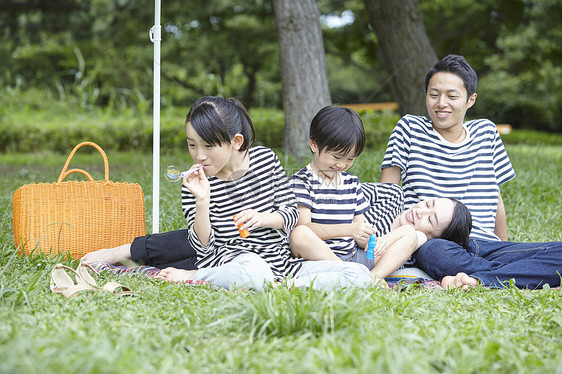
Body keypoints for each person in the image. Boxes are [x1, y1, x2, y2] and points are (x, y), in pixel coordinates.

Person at [83, 96, 372, 291]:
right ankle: (197, 278)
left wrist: (263, 218)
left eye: (208, 147)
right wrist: (202, 200)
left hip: (282, 267)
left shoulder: (266, 160)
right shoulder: (196, 183)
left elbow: (290, 215)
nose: (199, 156)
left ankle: (276, 285)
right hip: (237, 263)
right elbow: (203, 248)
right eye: (192, 145)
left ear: (235, 142)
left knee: (358, 275)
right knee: (253, 271)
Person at [380, 54, 562, 289]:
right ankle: (515, 276)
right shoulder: (409, 129)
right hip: (437, 243)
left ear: (470, 99)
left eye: (452, 96)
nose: (441, 103)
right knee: (434, 251)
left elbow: (495, 198)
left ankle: (477, 279)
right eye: (434, 94)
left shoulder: (486, 132)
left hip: (486, 245)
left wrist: (503, 245)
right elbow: (387, 194)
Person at [288, 105, 472, 281]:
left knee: (408, 232)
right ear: (314, 144)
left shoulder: (351, 183)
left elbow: (359, 232)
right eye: (336, 157)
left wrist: (369, 239)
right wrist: (350, 230)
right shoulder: (301, 182)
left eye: (350, 159)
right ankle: (350, 275)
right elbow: (306, 227)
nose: (342, 165)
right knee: (299, 234)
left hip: (354, 257)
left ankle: (371, 278)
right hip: (319, 257)